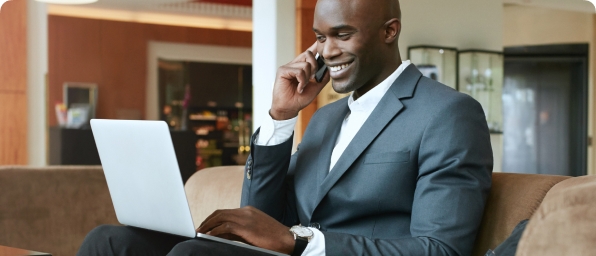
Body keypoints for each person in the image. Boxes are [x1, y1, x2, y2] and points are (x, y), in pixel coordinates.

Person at [77, 0, 493, 255]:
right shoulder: (326, 118)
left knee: (192, 255)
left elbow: (440, 250)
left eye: (342, 35)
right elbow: (261, 214)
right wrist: (281, 118)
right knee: (111, 241)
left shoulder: (448, 113)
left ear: (390, 31)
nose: (327, 51)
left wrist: (301, 243)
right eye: (319, 37)